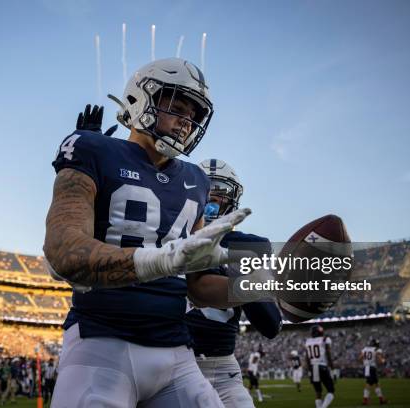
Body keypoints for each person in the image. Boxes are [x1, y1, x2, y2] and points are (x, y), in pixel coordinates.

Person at [45, 57, 252, 408]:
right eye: (177, 105)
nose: (186, 121)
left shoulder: (196, 180)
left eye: (194, 114)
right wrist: (162, 260)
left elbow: (198, 286)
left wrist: (274, 285)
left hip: (175, 352)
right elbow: (64, 250)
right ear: (141, 98)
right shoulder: (92, 149)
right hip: (101, 341)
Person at [185, 158, 282, 408]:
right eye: (205, 194)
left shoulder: (247, 246)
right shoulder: (168, 238)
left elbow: (270, 324)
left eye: (219, 196)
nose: (211, 202)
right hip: (174, 361)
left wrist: (240, 272)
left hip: (222, 368)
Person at [305, 325, 335, 408]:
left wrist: (309, 371)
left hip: (312, 367)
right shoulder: (325, 339)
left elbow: (307, 358)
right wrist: (332, 368)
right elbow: (328, 355)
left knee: (318, 392)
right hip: (322, 366)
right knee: (331, 390)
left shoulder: (308, 341)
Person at [360, 339, 386, 405]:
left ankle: (381, 399)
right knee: (369, 384)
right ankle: (365, 400)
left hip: (366, 368)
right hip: (372, 368)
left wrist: (365, 362)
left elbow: (360, 358)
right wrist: (383, 361)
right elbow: (379, 358)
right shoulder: (376, 349)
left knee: (375, 383)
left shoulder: (365, 349)